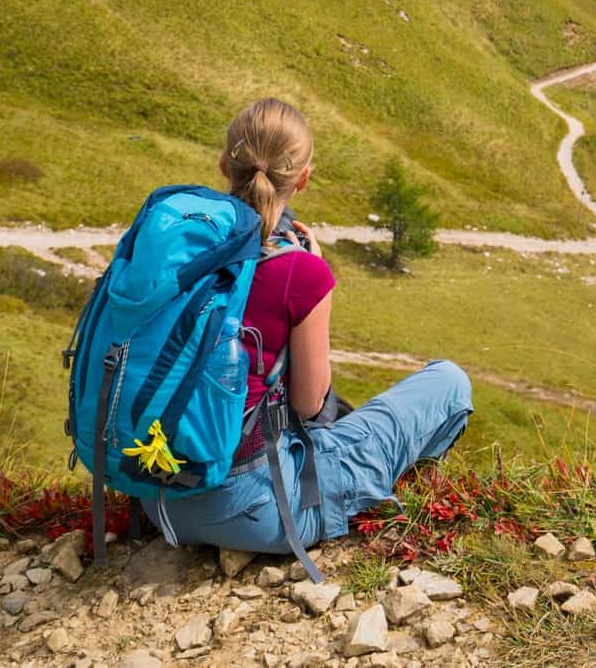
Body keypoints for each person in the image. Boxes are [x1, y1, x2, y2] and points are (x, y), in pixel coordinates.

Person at [161, 97, 473, 558]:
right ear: (303, 179)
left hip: (158, 499)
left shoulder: (171, 247)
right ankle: (398, 506)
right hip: (255, 513)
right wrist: (310, 273)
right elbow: (309, 405)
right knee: (449, 382)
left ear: (224, 164)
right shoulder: (302, 274)